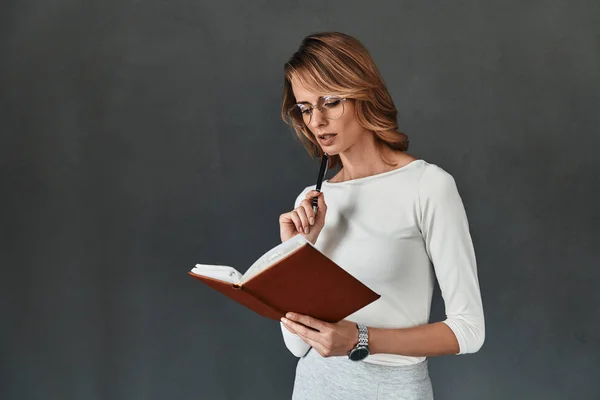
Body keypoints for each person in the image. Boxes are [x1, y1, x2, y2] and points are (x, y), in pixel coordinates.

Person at [277, 32, 485, 400]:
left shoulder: (427, 186)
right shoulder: (313, 202)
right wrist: (295, 254)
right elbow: (297, 346)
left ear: (362, 93)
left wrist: (359, 338)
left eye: (330, 102)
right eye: (306, 108)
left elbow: (469, 330)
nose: (318, 121)